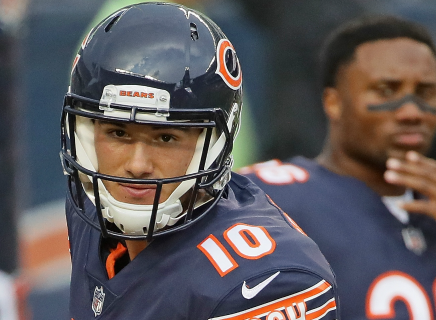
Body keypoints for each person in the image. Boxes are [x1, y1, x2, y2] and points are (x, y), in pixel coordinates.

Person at [60, 3, 339, 319]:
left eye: (165, 138)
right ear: (84, 132)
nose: (137, 166)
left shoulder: (265, 283)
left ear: (214, 144)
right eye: (118, 133)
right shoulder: (92, 204)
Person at [240, 15, 436, 319]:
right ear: (333, 102)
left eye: (425, 92)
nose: (412, 111)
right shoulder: (263, 200)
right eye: (387, 90)